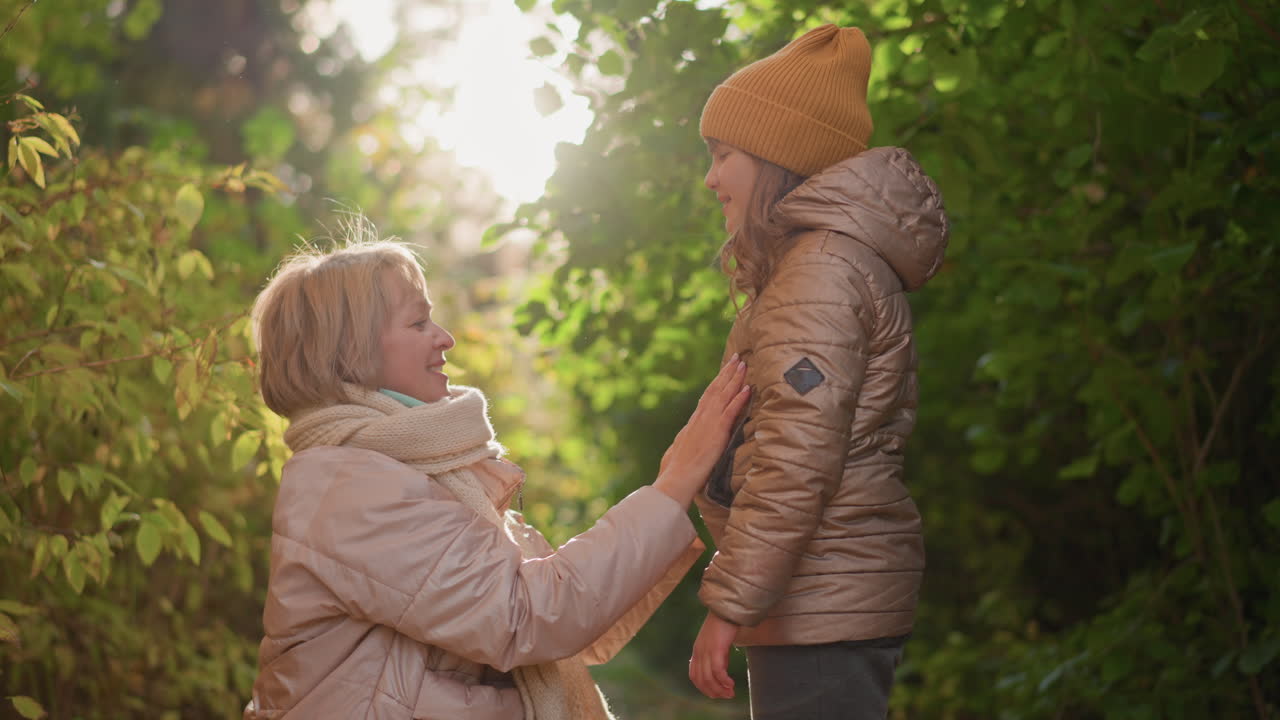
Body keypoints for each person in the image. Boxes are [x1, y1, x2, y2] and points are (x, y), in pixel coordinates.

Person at [241, 231, 751, 720]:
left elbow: (578, 624)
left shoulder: (406, 470)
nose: (446, 338)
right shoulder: (351, 487)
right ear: (350, 351)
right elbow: (526, 616)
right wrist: (672, 484)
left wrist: (669, 492)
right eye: (418, 324)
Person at [686, 23, 950, 720]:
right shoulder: (823, 266)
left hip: (822, 604)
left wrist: (730, 603)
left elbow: (794, 455)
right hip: (821, 600)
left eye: (723, 155)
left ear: (776, 155)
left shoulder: (819, 275)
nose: (711, 177)